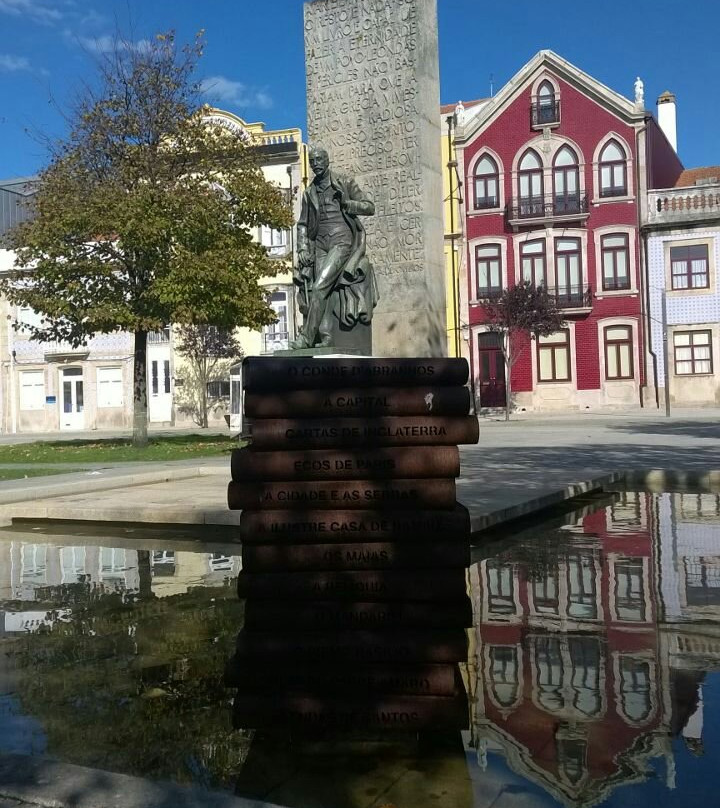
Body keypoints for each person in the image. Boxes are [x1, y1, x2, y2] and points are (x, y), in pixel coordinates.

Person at [290, 146, 378, 349]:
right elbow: (303, 224)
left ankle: (306, 338)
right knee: (321, 289)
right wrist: (302, 248)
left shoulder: (344, 182)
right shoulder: (309, 192)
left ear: (327, 160)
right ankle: (326, 336)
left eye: (319, 159)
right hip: (320, 245)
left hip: (342, 240)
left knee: (319, 286)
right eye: (312, 161)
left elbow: (369, 207)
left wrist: (348, 204)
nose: (316, 164)